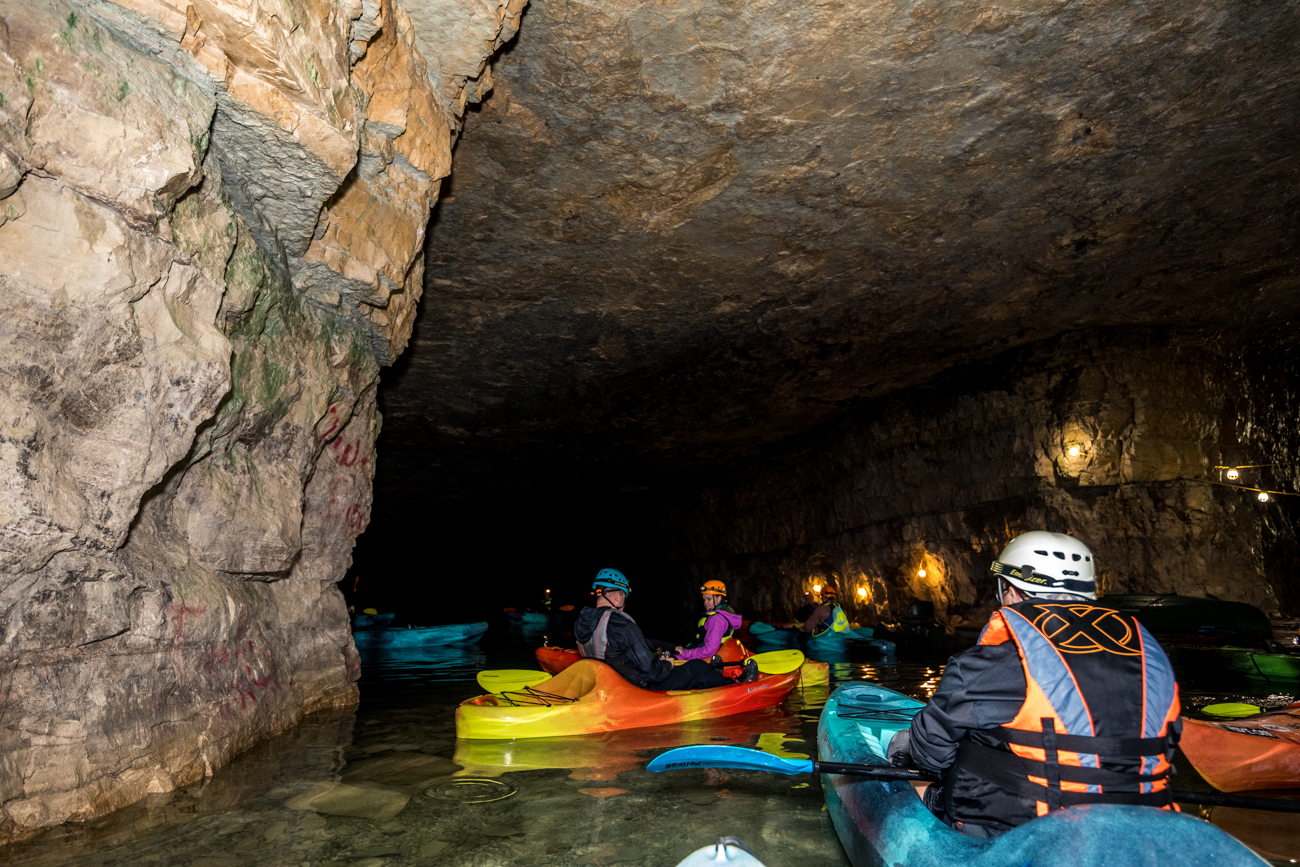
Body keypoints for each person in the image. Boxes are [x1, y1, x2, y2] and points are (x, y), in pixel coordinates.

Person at [885, 531, 1181, 838]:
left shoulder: (991, 662)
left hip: (1028, 834)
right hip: (1140, 826)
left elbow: (930, 754)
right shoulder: (1151, 656)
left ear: (1011, 590)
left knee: (907, 746)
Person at [574, 568, 759, 689]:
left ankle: (713, 677)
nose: (624, 602)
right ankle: (736, 685)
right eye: (624, 596)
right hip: (640, 686)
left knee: (671, 660)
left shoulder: (583, 621)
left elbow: (644, 643)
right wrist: (667, 664)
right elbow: (652, 673)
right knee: (697, 668)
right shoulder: (621, 624)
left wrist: (672, 648)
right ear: (617, 597)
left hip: (613, 683)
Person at [674, 580, 743, 661]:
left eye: (708, 599)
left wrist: (685, 653)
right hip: (703, 655)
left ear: (719, 598)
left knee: (658, 646)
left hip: (703, 660)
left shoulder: (717, 618)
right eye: (704, 600)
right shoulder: (725, 614)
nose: (705, 603)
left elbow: (709, 650)